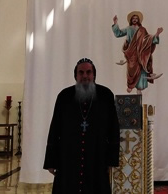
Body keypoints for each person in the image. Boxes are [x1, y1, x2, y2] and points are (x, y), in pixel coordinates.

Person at [44, 58, 120, 193]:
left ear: (94, 75)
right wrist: (51, 160)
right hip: (68, 156)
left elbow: (113, 128)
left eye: (88, 72)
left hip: (97, 155)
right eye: (81, 72)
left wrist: (111, 159)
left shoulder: (106, 95)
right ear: (76, 76)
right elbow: (55, 128)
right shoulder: (64, 96)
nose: (85, 76)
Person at [112, 11, 163, 93]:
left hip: (141, 52)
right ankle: (131, 85)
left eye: (136, 18)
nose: (135, 20)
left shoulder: (142, 29)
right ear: (131, 20)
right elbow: (119, 34)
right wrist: (115, 23)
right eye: (133, 18)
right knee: (131, 70)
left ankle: (139, 88)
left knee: (141, 70)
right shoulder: (128, 28)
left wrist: (157, 34)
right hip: (131, 53)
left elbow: (148, 39)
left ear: (139, 20)